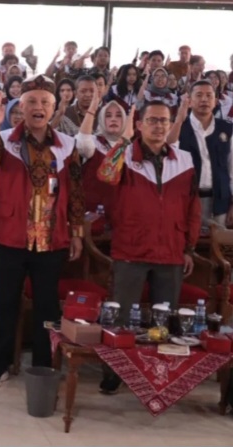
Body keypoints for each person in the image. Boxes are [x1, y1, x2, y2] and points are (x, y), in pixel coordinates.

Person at [0, 75, 84, 388]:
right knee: (5, 302)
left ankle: (43, 366)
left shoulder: (67, 146)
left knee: (47, 307)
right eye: (31, 102)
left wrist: (77, 232)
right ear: (21, 107)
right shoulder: (4, 140)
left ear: (53, 109)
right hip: (12, 235)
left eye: (44, 103)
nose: (38, 107)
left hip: (52, 239)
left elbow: (76, 192)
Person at [96, 100, 200, 394]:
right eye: (152, 120)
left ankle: (157, 375)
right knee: (120, 317)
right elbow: (105, 176)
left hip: (171, 250)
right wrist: (124, 141)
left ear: (170, 126)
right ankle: (114, 374)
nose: (158, 126)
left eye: (164, 121)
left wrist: (189, 247)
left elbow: (192, 208)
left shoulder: (185, 159)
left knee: (163, 322)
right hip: (131, 248)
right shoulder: (123, 155)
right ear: (139, 125)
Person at [169, 80, 233, 226]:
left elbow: (232, 168)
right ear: (190, 101)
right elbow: (168, 151)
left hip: (220, 199)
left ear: (216, 101)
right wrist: (178, 120)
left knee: (217, 244)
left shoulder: (227, 129)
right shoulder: (179, 128)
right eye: (199, 95)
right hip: (186, 198)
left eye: (209, 95)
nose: (204, 99)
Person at [75, 89, 127, 223]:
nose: (113, 119)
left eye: (118, 115)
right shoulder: (94, 142)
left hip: (122, 218)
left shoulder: (131, 148)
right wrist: (92, 109)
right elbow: (82, 143)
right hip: (93, 218)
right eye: (108, 115)